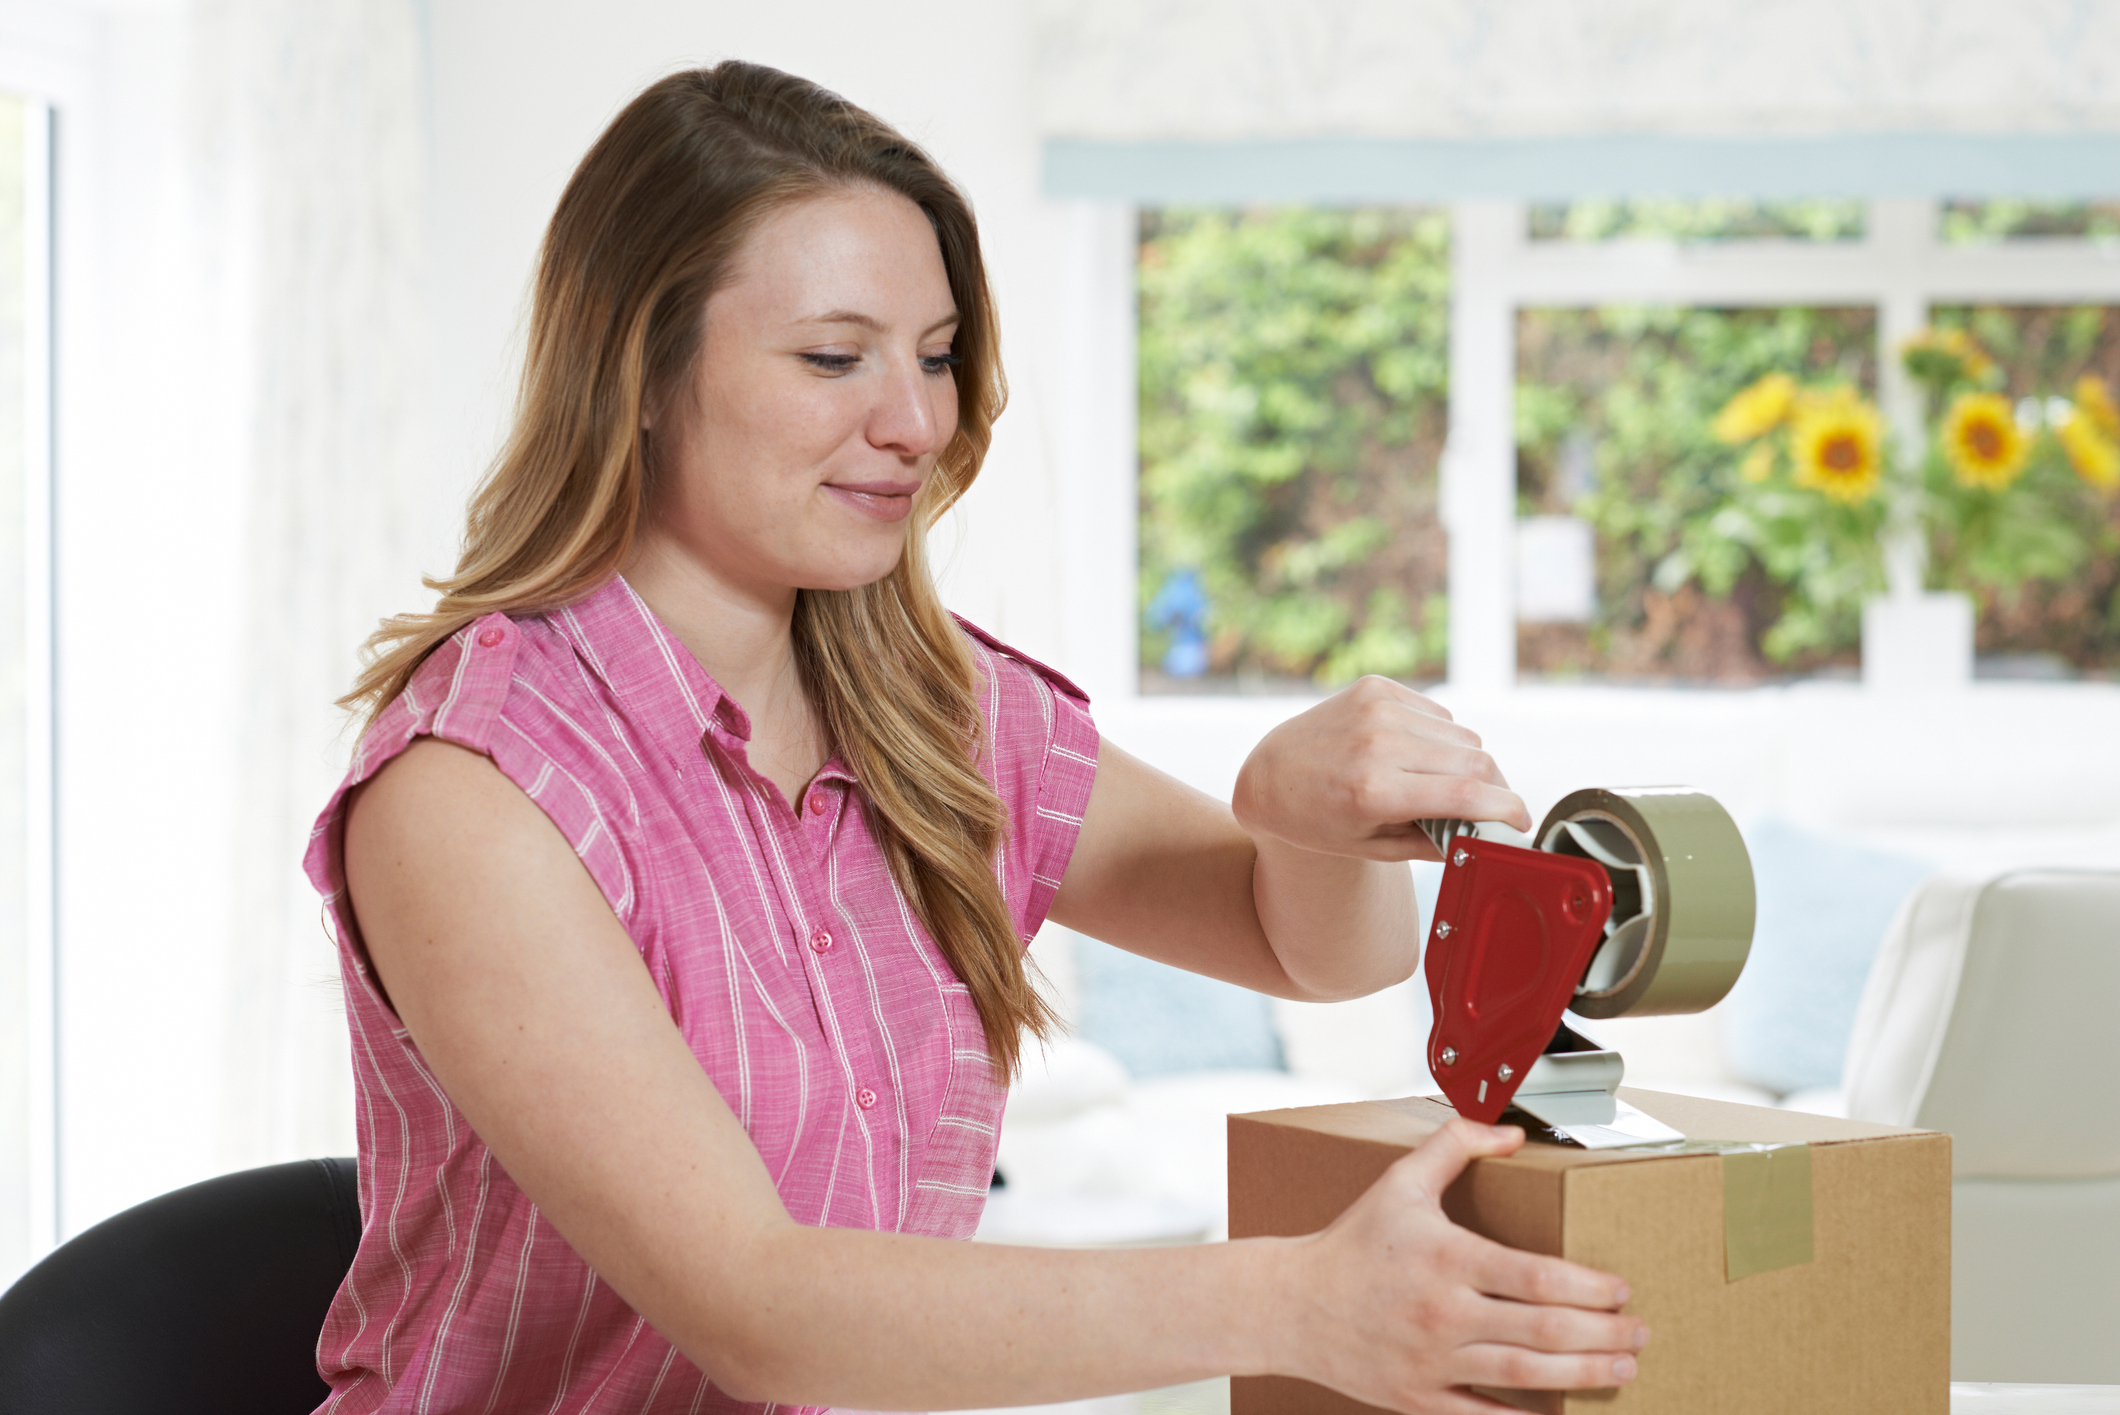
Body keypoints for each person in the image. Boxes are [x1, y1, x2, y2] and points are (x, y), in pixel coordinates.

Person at [309, 60, 1648, 1415]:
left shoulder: (934, 711)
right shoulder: (475, 791)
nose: (916, 423)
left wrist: (1299, 824)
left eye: (937, 356)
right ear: (640, 371)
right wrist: (1295, 1302)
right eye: (834, 358)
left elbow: (1310, 949)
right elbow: (760, 1310)